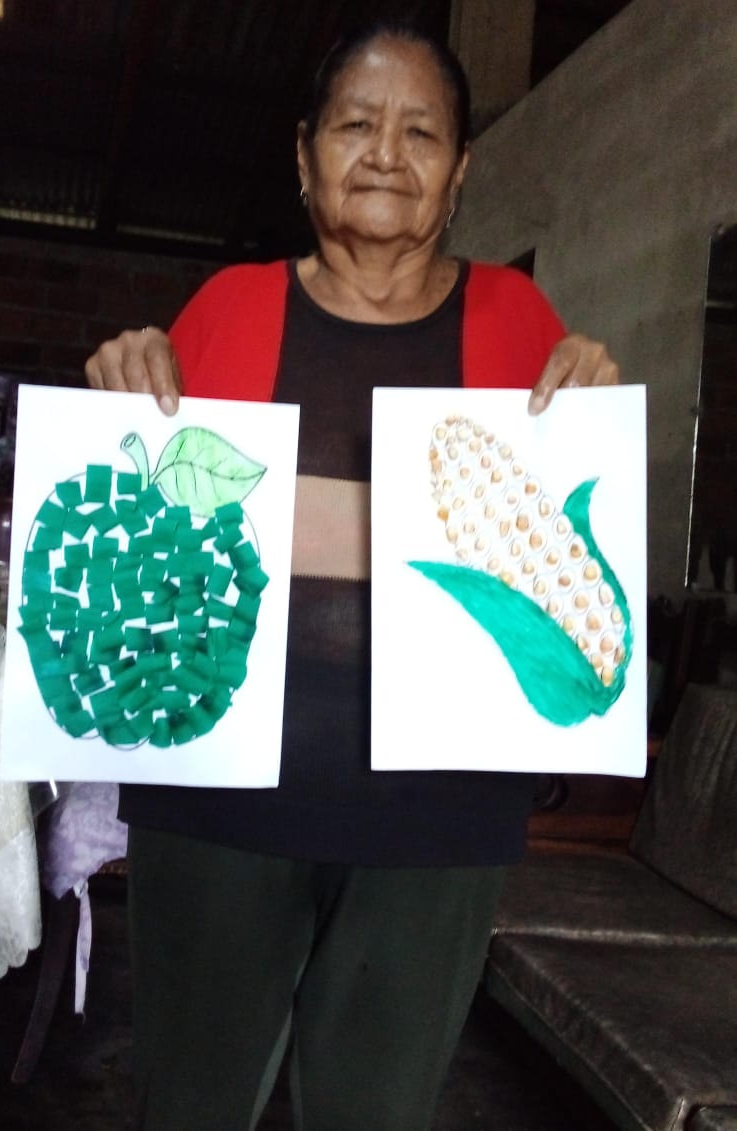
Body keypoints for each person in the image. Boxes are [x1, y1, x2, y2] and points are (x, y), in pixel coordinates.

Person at [85, 22, 619, 1131]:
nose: (385, 153)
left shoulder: (518, 323)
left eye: (421, 132)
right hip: (215, 801)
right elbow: (146, 524)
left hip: (436, 820)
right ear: (304, 154)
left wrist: (593, 410)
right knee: (187, 1103)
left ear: (459, 169)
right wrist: (122, 394)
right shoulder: (226, 310)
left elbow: (566, 546)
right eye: (355, 124)